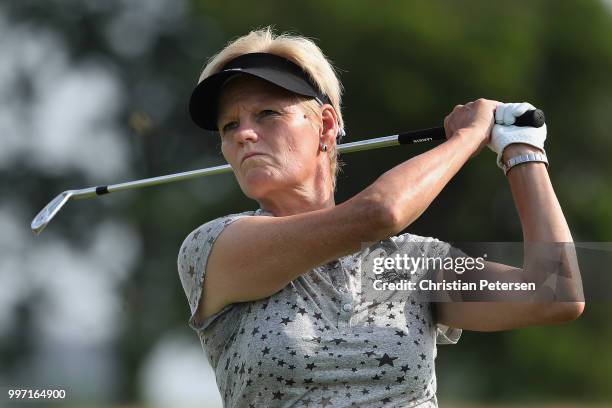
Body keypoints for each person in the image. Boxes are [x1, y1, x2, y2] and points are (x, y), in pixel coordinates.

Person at [178, 27, 584, 407]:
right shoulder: (215, 247)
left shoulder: (409, 264)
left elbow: (555, 294)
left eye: (267, 114)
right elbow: (379, 212)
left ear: (325, 125)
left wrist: (522, 151)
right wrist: (467, 138)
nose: (243, 134)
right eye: (230, 125)